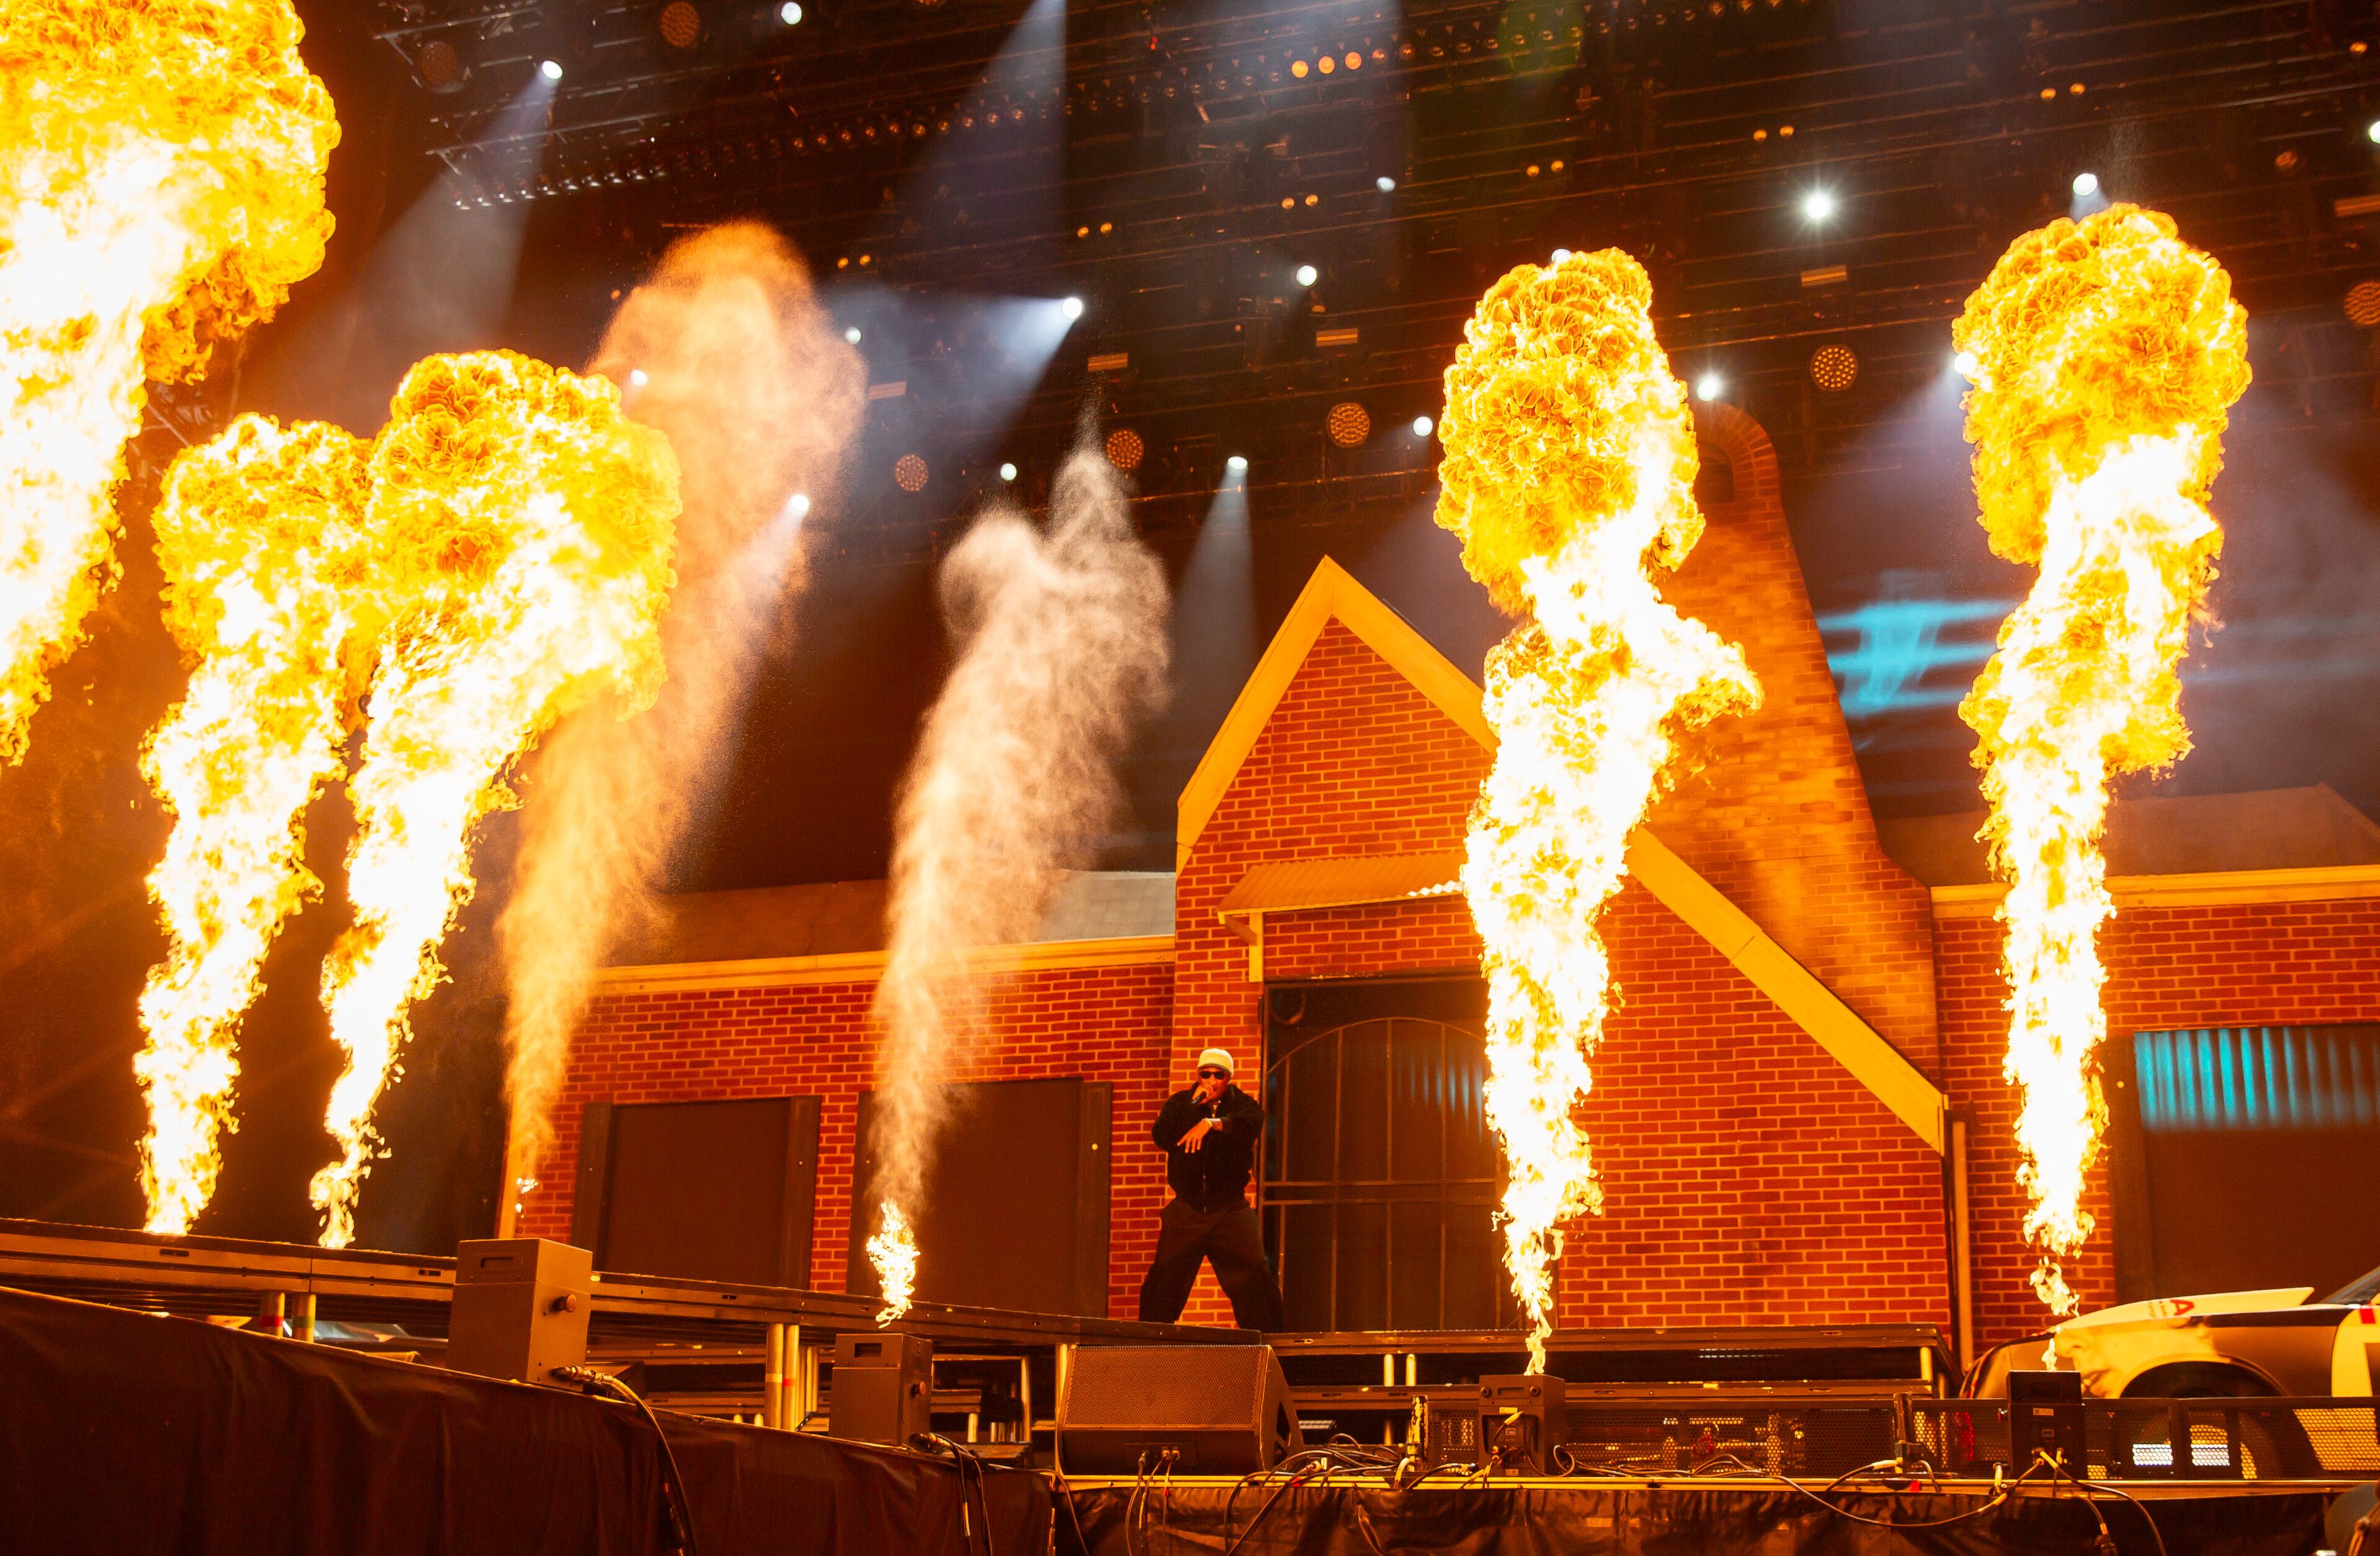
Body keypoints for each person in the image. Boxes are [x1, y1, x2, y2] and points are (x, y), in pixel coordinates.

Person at [1136, 1047, 1285, 1332]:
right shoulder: (1182, 1103)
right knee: (1165, 1276)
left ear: (1228, 1078)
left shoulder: (1241, 1104)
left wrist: (1214, 1124)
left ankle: (1272, 1344)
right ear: (1198, 1075)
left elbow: (1252, 1123)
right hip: (1188, 1208)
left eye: (1219, 1075)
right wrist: (1194, 1107)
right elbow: (1162, 1135)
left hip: (1229, 1209)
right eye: (1206, 1074)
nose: (1212, 1080)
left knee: (1254, 1273)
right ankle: (1147, 1342)